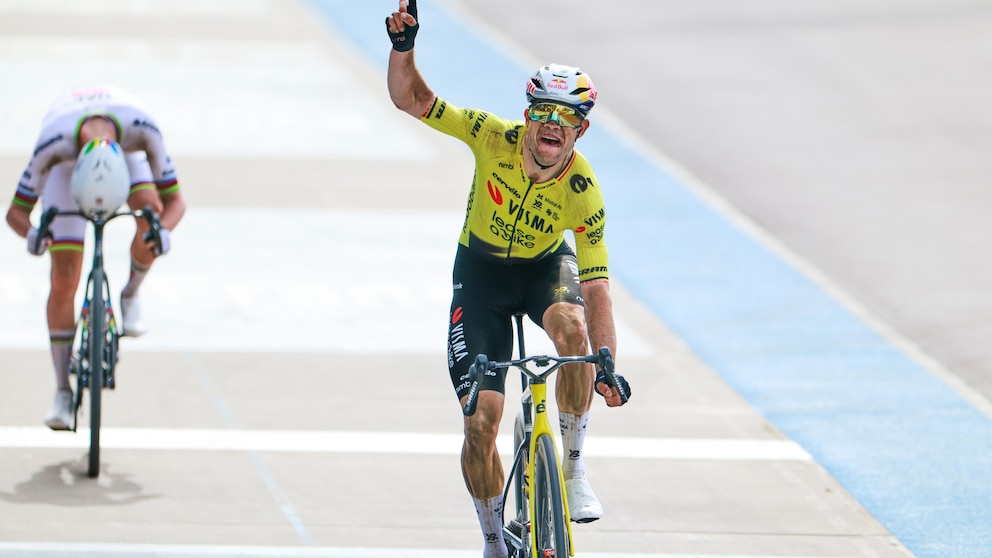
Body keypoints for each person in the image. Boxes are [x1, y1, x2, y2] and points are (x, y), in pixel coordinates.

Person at [385, 2, 631, 556]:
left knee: (575, 334)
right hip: (482, 279)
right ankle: (494, 542)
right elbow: (413, 100)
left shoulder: (584, 191)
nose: (552, 123)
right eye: (544, 110)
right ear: (528, 114)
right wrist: (404, 50)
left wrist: (607, 365)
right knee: (481, 423)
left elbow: (596, 287)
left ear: (582, 129)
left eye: (567, 116)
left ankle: (572, 469)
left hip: (543, 270)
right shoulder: (492, 137)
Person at [5, 84, 186, 430]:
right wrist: (32, 234)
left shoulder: (143, 130)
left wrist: (162, 231)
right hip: (66, 169)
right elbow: (16, 212)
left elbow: (176, 202)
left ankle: (130, 293)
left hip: (126, 158)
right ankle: (62, 390)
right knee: (64, 277)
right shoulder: (53, 143)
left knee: (150, 213)